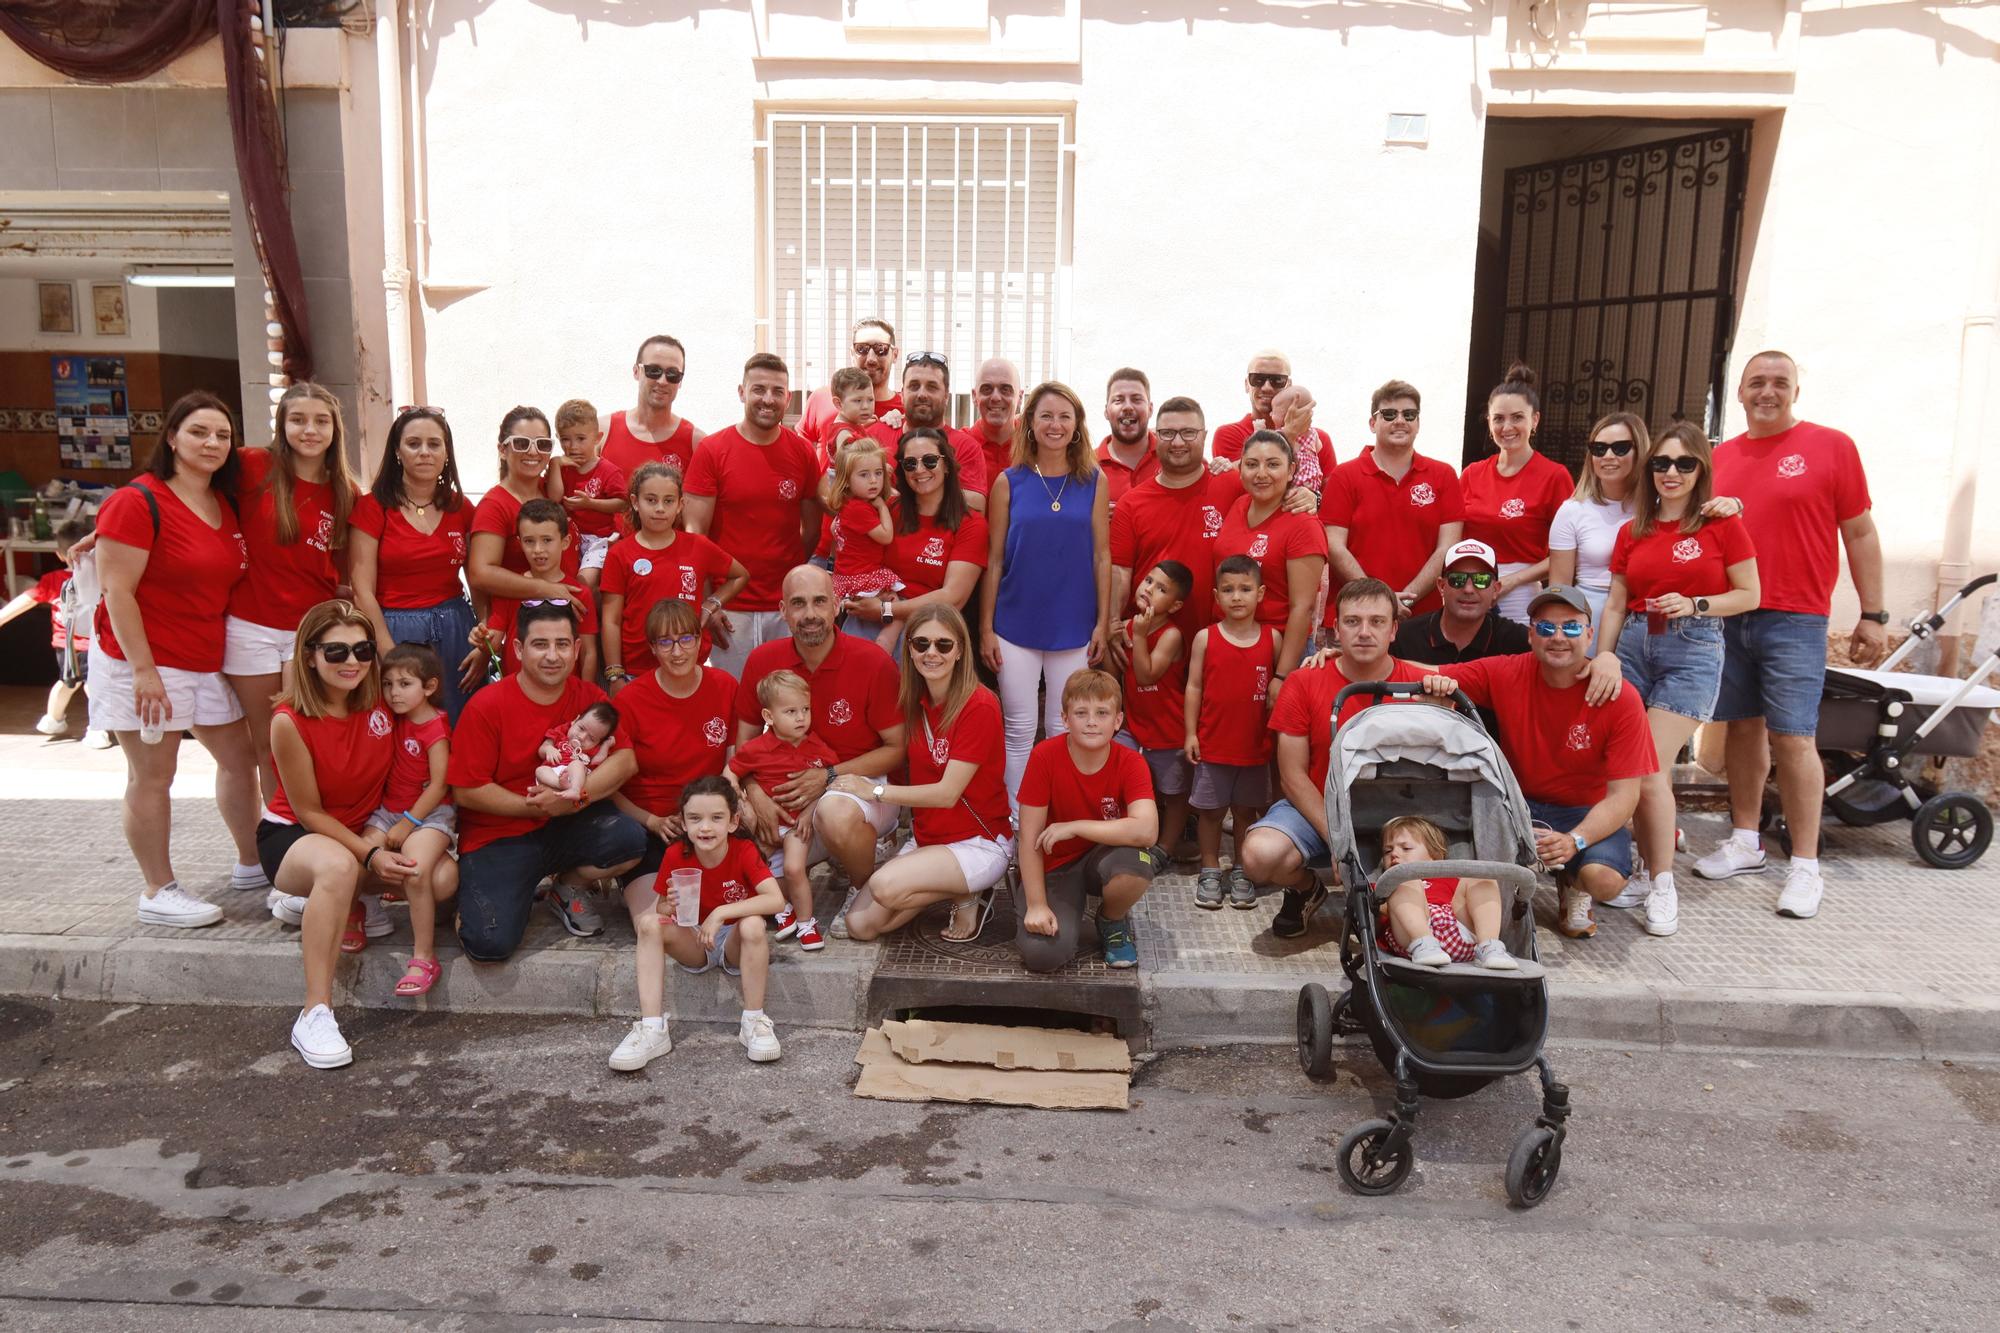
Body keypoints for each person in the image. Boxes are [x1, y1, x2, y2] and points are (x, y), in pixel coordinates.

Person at [1698, 350, 1884, 920]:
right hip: (1730, 613)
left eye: (1780, 382)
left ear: (1796, 390)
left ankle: (1805, 865)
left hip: (1796, 616)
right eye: (1757, 383)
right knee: (1741, 730)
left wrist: (1873, 613)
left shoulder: (1832, 447)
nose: (1767, 392)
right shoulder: (1718, 457)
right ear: (1741, 394)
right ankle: (1746, 841)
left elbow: (1859, 531)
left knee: (1795, 738)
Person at [87, 391, 263, 928]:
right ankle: (157, 889)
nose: (212, 443)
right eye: (199, 432)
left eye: (222, 435)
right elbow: (117, 592)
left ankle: (252, 863)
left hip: (206, 656)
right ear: (171, 437)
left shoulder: (224, 501)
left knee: (241, 758)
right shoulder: (137, 500)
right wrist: (143, 671)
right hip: (147, 662)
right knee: (153, 776)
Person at [1588, 422, 1760, 938]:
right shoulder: (1632, 531)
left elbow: (1749, 593)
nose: (1671, 472)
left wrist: (1695, 603)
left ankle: (1663, 883)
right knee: (1630, 768)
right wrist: (1605, 657)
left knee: (1649, 768)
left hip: (1694, 646)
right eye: (1662, 463)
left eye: (1684, 463)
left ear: (1701, 470)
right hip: (1636, 645)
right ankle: (1646, 870)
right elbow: (1617, 602)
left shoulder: (1720, 524)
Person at [1420, 586, 1657, 939]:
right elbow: (1429, 670)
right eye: (1546, 628)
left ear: (1590, 635)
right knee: (1462, 850)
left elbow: (1625, 797)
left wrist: (1574, 840)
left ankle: (1574, 882)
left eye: (1572, 628)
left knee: (1604, 880)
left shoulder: (1619, 696)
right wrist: (1352, 660)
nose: (1558, 637)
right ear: (1531, 635)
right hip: (1520, 803)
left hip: (1584, 811)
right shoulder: (1508, 671)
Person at [258, 600, 412, 1069]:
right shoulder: (288, 720)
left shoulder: (384, 701)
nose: (353, 662)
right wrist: (368, 854)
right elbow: (308, 811)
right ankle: (315, 1013)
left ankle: (319, 903)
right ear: (308, 656)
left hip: (366, 832)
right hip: (296, 835)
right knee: (338, 867)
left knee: (439, 881)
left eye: (363, 650)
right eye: (337, 651)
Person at [447, 600, 646, 959]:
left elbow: (625, 762)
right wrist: (532, 806)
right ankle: (477, 898)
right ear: (519, 649)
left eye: (562, 644)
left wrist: (574, 798)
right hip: (499, 834)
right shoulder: (487, 705)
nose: (552, 655)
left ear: (577, 649)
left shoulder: (589, 697)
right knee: (489, 944)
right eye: (540, 644)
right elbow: (466, 790)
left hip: (563, 824)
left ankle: (567, 886)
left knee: (630, 839)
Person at [1236, 578, 1431, 938]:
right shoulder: (1305, 680)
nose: (1364, 632)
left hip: (1391, 811)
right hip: (1318, 807)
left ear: (1393, 630)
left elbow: (1469, 678)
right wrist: (1341, 843)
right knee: (1258, 856)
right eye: (1353, 621)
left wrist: (1443, 685)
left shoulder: (1418, 681)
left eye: (1377, 622)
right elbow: (1292, 776)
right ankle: (1305, 889)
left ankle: (1385, 903)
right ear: (1336, 629)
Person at [733, 566, 906, 938]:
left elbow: (896, 749)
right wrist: (754, 794)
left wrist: (828, 776)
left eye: (819, 602)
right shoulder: (762, 660)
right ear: (782, 611)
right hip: (787, 794)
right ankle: (815, 863)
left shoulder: (871, 661)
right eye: (798, 603)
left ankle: (863, 883)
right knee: (733, 835)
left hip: (860, 785)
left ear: (836, 607)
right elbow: (743, 744)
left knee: (834, 809)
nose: (809, 614)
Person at [837, 604, 1016, 944]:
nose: (931, 653)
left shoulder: (980, 704)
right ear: (910, 649)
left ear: (960, 650)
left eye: (943, 645)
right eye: (921, 644)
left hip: (978, 841)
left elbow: (946, 793)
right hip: (929, 839)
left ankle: (969, 892)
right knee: (859, 926)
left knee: (884, 887)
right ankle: (956, 891)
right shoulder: (914, 698)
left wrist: (874, 792)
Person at [224, 382, 358, 805]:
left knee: (308, 740)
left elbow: (346, 571)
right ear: (282, 425)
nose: (310, 430)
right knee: (268, 745)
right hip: (251, 626)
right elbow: (185, 489)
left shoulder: (346, 492)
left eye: (321, 421)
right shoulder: (252, 466)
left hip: (310, 632)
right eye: (298, 420)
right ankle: (278, 839)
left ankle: (315, 836)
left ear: (335, 429)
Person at [982, 381, 1111, 798]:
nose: (1054, 425)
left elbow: (1102, 557)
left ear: (1076, 426)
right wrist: (986, 628)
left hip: (1074, 623)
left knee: (1063, 728)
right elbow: (995, 559)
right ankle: (1020, 827)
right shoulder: (1009, 482)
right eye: (1046, 416)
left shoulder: (1093, 480)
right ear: (1030, 423)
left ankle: (1059, 818)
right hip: (1015, 623)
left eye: (1064, 417)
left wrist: (1102, 624)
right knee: (1019, 729)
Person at [608, 776, 786, 1072]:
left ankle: (753, 1022)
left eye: (716, 818)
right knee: (650, 923)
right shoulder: (676, 854)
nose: (705, 827)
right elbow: (663, 905)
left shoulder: (743, 850)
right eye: (695, 818)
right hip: (694, 940)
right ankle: (652, 1029)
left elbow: (775, 900)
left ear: (733, 821)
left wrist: (720, 914)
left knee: (753, 923)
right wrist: (670, 904)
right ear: (684, 823)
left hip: (733, 943)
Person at [606, 598, 738, 966]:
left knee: (744, 914)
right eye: (665, 642)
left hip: (709, 825)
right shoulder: (631, 700)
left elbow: (737, 760)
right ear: (652, 648)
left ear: (700, 641)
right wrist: (650, 820)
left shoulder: (725, 686)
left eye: (685, 639)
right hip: (653, 828)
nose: (677, 651)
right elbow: (609, 784)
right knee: (658, 925)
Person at [683, 353, 824, 679]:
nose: (768, 399)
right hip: (730, 608)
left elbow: (812, 530)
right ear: (742, 392)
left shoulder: (801, 451)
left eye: (777, 391)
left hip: (785, 607)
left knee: (787, 702)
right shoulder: (713, 450)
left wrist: (788, 583)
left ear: (788, 397)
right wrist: (709, 603)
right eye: (759, 389)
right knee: (736, 706)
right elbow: (694, 536)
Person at [1014, 670, 1158, 971]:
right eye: (1081, 712)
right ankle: (1062, 911)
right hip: (1056, 863)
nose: (1091, 721)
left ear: (1117, 721)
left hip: (1103, 853)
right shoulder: (1044, 756)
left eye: (1102, 712)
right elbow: (1029, 839)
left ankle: (1111, 920)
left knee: (1138, 863)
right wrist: (1037, 904)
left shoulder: (1131, 762)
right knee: (1043, 956)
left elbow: (1147, 830)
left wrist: (1075, 826)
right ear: (1065, 719)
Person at [350, 406, 482, 721]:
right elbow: (361, 589)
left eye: (434, 444)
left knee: (458, 721)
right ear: (397, 451)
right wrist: (388, 653)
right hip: (395, 629)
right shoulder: (373, 508)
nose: (425, 452)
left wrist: (486, 637)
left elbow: (478, 579)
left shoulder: (461, 507)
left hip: (455, 629)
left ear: (446, 452)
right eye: (414, 444)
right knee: (405, 728)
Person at [599, 462, 745, 692]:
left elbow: (740, 576)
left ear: (680, 505)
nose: (660, 508)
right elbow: (611, 619)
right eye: (651, 500)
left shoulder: (698, 546)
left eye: (668, 501)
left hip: (688, 668)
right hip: (637, 672)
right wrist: (615, 673)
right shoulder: (620, 553)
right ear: (635, 502)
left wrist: (710, 605)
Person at [1322, 380, 1464, 617]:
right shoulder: (1344, 476)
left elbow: (1447, 548)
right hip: (1356, 614)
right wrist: (1380, 600)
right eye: (1388, 414)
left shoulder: (1444, 475)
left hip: (1422, 616)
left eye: (1409, 415)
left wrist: (1405, 600)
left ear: (1418, 423)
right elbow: (1334, 546)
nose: (1400, 421)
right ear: (1372, 423)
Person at [1184, 555, 1278, 910]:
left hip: (1254, 748)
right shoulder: (1205, 638)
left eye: (1244, 589)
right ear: (1216, 596)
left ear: (1260, 593)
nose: (1236, 597)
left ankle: (1242, 869)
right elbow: (1193, 687)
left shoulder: (1273, 639)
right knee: (1210, 812)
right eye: (1228, 590)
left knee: (1244, 812)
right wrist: (1191, 733)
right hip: (1213, 744)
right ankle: (1210, 868)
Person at [365, 642, 457, 997]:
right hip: (388, 811)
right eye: (388, 684)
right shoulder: (390, 719)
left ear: (429, 687)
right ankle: (362, 910)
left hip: (429, 815)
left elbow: (438, 786)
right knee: (360, 856)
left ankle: (423, 958)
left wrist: (408, 822)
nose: (393, 693)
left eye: (405, 684)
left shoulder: (435, 728)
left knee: (414, 868)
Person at [840, 428, 988, 648]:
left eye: (929, 461)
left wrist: (886, 611)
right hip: (868, 613)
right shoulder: (886, 511)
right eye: (910, 463)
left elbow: (954, 597)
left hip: (927, 630)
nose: (919, 470)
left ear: (946, 465)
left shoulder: (971, 523)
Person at [728, 670, 838, 948]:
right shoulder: (756, 749)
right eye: (791, 711)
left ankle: (806, 923)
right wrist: (739, 800)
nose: (801, 717)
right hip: (763, 825)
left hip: (795, 825)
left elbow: (830, 784)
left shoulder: (817, 748)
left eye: (805, 709)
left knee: (792, 868)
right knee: (753, 870)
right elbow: (730, 773)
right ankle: (782, 909)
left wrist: (809, 811)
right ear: (769, 717)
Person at [1460, 364, 1575, 622]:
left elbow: (1565, 555)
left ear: (1535, 420)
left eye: (1517, 417)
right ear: (1489, 422)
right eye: (1498, 418)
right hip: (1469, 588)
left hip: (1519, 594)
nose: (1507, 426)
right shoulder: (1471, 473)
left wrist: (1512, 581)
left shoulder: (1554, 476)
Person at [1215, 429, 1327, 672]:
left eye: (1273, 464)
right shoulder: (1238, 505)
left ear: (1291, 471)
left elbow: (1303, 608)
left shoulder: (1303, 524)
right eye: (1252, 464)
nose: (1261, 474)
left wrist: (1282, 675)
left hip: (1281, 651)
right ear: (1241, 469)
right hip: (1233, 642)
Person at [3, 518, 106, 746]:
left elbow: (25, 601)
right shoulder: (105, 578)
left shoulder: (52, 581)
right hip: (91, 644)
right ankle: (87, 726)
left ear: (59, 554)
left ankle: (62, 720)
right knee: (85, 684)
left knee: (69, 683)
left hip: (69, 645)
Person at [1117, 560, 1193, 872]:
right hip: (1133, 724)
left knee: (1174, 792)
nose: (1149, 589)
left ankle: (1166, 846)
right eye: (1148, 580)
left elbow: (1146, 675)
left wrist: (1140, 635)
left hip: (1167, 729)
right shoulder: (1127, 626)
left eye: (1161, 589)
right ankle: (1126, 838)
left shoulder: (1171, 635)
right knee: (1121, 780)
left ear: (1175, 605)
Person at [469, 407, 578, 611]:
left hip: (568, 617)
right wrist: (546, 589)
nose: (533, 452)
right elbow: (480, 573)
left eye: (543, 444)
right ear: (503, 450)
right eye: (521, 443)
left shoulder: (555, 489)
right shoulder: (494, 505)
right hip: (525, 621)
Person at [479, 499, 598, 682]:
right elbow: (493, 644)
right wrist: (481, 639)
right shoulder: (510, 589)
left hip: (564, 694)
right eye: (529, 541)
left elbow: (588, 652)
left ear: (565, 542)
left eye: (547, 540)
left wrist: (587, 697)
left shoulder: (578, 594)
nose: (538, 550)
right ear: (520, 542)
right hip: (517, 693)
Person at [1377, 816, 1516, 970]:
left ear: (1435, 855)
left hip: (1459, 932)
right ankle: (1425, 943)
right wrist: (1389, 902)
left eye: (1406, 848)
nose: (1394, 854)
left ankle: (1490, 946)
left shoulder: (1452, 878)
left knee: (1481, 876)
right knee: (1403, 877)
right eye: (1387, 851)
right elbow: (1373, 906)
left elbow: (1469, 901)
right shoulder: (1388, 884)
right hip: (1412, 939)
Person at [1549, 412, 1646, 623]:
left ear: (1640, 451)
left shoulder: (1658, 508)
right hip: (1591, 614)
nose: (1608, 456)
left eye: (1620, 448)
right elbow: (1560, 589)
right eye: (1599, 449)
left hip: (1645, 614)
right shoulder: (1572, 510)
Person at [864, 352, 989, 506]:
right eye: (914, 386)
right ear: (902, 394)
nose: (922, 394)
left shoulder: (965, 447)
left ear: (946, 397)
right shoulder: (874, 437)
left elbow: (974, 507)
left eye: (932, 387)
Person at [1390, 539, 1530, 668]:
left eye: (1481, 580)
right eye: (1458, 579)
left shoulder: (1519, 642)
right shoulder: (1404, 638)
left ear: (1496, 589)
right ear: (1441, 586)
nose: (1468, 589)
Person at [827, 436, 901, 647]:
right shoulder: (861, 508)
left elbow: (834, 530)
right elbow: (886, 536)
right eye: (864, 475)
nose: (873, 481)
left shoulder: (847, 503)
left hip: (846, 574)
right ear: (846, 479)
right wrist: (882, 507)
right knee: (895, 603)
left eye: (878, 473)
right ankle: (885, 640)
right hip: (863, 575)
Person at [598, 334, 705, 480]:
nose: (662, 381)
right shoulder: (601, 432)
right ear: (636, 372)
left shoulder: (696, 443)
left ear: (680, 381)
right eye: (654, 370)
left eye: (672, 374)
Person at [550, 398, 627, 590]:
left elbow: (622, 503)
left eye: (581, 439)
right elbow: (553, 497)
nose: (573, 446)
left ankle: (589, 618)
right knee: (565, 581)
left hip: (599, 539)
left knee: (585, 581)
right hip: (569, 538)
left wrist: (590, 504)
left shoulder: (608, 470)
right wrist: (555, 465)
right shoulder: (562, 468)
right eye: (565, 439)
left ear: (597, 438)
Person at [798, 317, 904, 449]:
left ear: (894, 355)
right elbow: (799, 451)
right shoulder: (821, 397)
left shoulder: (904, 409)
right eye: (862, 348)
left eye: (881, 349)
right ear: (852, 353)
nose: (871, 359)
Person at [1213, 350, 1307, 460]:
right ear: (1247, 385)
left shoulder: (1315, 440)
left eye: (1277, 380)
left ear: (1289, 385)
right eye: (1258, 379)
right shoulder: (1228, 435)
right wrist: (1289, 437)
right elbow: (1256, 475)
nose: (1266, 387)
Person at [1096, 368, 1160, 506]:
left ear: (1150, 409)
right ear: (1106, 411)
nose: (1128, 407)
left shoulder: (1172, 458)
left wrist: (1218, 465)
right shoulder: (1087, 465)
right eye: (1118, 400)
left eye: (1136, 399)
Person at [536, 701, 620, 800]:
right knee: (540, 770)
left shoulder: (593, 749)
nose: (582, 737)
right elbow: (542, 751)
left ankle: (575, 790)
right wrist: (548, 749)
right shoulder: (560, 733)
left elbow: (596, 763)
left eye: (591, 739)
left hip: (576, 777)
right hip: (551, 775)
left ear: (599, 742)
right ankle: (560, 784)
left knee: (576, 764)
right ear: (575, 720)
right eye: (581, 728)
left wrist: (606, 746)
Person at [968, 357, 1021, 489]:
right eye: (987, 389)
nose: (996, 398)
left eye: (1005, 389)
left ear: (1019, 397)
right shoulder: (958, 448)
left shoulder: (1036, 445)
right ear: (974, 396)